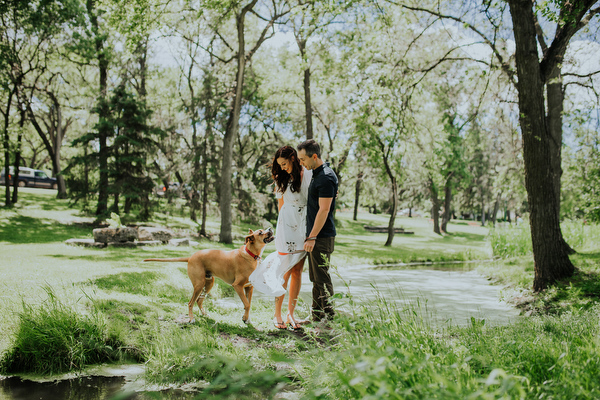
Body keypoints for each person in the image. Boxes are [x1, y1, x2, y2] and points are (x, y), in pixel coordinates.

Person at [249, 146, 312, 330]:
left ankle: (291, 313)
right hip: (287, 227)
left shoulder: (307, 175)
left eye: (284, 163)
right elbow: (281, 206)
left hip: (303, 227)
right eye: (280, 165)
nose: (283, 168)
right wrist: (285, 229)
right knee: (285, 269)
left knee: (298, 271)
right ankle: (277, 313)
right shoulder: (281, 180)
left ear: (293, 158)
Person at [297, 139, 338, 323]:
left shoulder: (325, 177)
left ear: (314, 156)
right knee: (316, 278)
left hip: (321, 236)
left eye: (303, 159)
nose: (301, 163)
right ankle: (317, 316)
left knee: (322, 278)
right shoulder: (317, 173)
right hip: (315, 235)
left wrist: (312, 236)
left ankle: (329, 319)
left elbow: (324, 210)